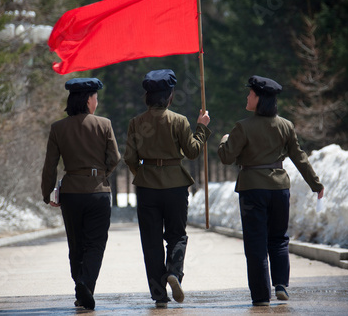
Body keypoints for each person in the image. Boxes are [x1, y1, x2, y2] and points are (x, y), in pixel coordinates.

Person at [217, 75, 324, 307]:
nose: (247, 97)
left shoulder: (242, 127)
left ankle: (261, 296)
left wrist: (224, 140)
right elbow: (299, 157)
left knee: (256, 243)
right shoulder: (286, 126)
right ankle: (281, 285)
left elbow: (226, 157)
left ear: (260, 98)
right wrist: (316, 184)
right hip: (279, 189)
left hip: (252, 189)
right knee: (278, 239)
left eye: (250, 94)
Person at [124, 69, 211, 309]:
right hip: (175, 185)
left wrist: (142, 175)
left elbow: (130, 157)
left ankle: (158, 293)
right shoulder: (179, 121)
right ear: (170, 96)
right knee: (177, 235)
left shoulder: (136, 123)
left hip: (147, 187)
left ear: (148, 97)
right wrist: (202, 127)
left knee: (151, 242)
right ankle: (174, 272)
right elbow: (193, 151)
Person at [41, 78, 121, 310]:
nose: (97, 101)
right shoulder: (104, 124)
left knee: (76, 244)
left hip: (71, 193)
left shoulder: (58, 128)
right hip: (98, 193)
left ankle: (81, 288)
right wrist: (101, 174)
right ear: (88, 99)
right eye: (95, 97)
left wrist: (47, 194)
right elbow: (114, 158)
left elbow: (50, 165)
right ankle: (85, 284)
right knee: (95, 244)